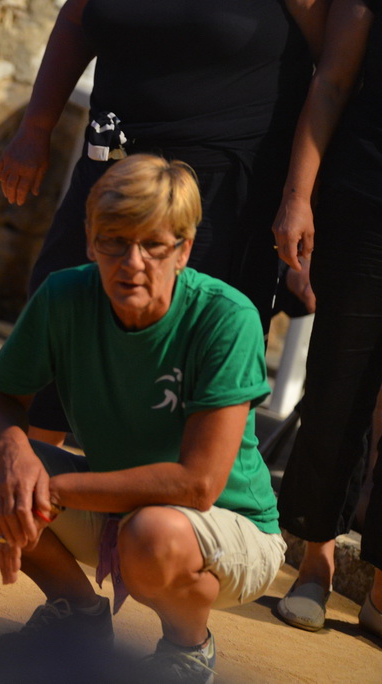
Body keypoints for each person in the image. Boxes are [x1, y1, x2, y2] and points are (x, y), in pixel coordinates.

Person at [0, 155, 285, 683]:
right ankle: (78, 615)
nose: (132, 263)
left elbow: (197, 485)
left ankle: (187, 649)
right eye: (114, 242)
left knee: (152, 535)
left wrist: (50, 491)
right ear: (89, 239)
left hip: (229, 528)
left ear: (184, 249)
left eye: (153, 245)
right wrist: (15, 458)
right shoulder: (64, 295)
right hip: (121, 509)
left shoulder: (226, 317)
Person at [0, 0, 325, 447]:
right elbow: (76, 20)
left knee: (186, 345)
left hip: (220, 189)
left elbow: (335, 78)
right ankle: (30, 477)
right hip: (112, 165)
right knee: (65, 306)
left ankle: (152, 500)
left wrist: (302, 197)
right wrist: (35, 128)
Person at [270, 0, 382, 638]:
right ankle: (313, 565)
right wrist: (298, 198)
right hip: (366, 202)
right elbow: (333, 80)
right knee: (338, 387)